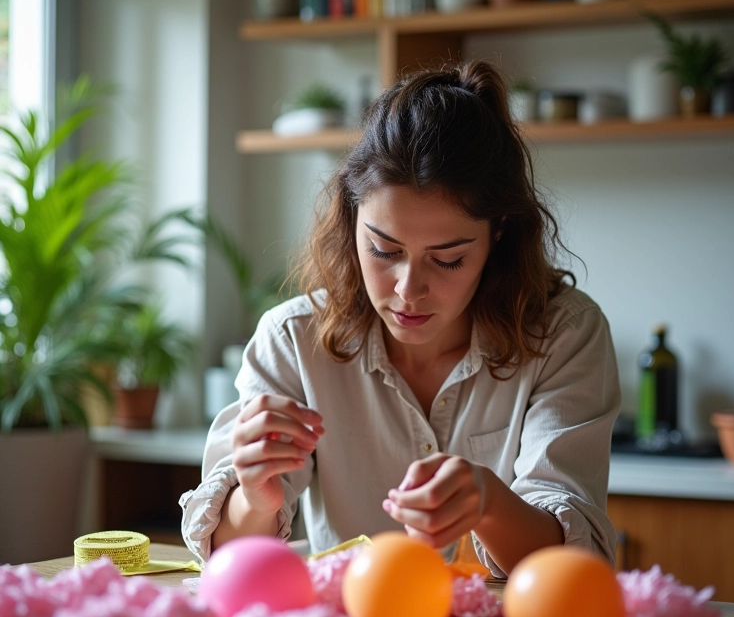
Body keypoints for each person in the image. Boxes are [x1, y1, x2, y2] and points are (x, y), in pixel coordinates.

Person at [180, 60, 621, 577]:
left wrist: (489, 503)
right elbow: (227, 561)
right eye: (384, 250)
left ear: (499, 234)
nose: (408, 291)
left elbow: (574, 566)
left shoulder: (564, 335)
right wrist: (255, 497)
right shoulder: (294, 339)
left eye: (448, 259)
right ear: (352, 220)